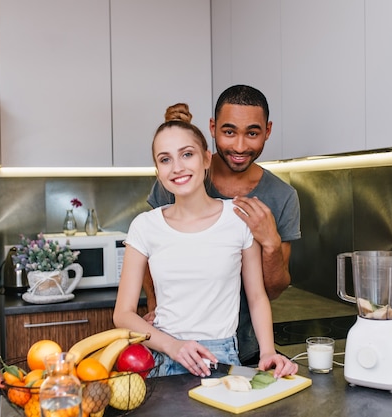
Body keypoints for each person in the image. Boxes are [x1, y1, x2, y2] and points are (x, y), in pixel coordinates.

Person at [113, 103, 297, 378]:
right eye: (165, 159)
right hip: (163, 356)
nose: (177, 167)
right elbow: (123, 315)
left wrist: (269, 351)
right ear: (157, 170)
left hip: (222, 358)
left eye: (187, 154)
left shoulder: (238, 218)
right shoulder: (144, 226)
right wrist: (173, 347)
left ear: (206, 159)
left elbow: (257, 297)